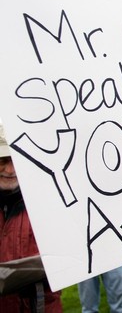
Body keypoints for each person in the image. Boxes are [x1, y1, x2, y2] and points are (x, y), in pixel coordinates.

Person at [0, 121, 63, 312]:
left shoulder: (49, 201)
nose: (10, 170)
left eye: (15, 159)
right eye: (2, 160)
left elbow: (69, 258)